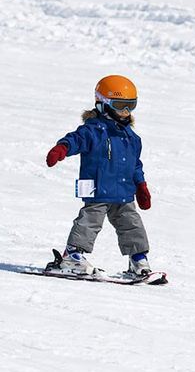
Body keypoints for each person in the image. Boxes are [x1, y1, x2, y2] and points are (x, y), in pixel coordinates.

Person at [45, 75, 154, 276]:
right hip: (97, 189)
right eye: (120, 105)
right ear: (103, 104)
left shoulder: (133, 138)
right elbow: (75, 139)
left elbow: (135, 165)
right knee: (89, 221)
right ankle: (72, 255)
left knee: (132, 225)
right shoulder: (93, 130)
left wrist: (141, 186)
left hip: (123, 193)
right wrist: (63, 147)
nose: (126, 111)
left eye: (131, 106)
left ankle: (138, 259)